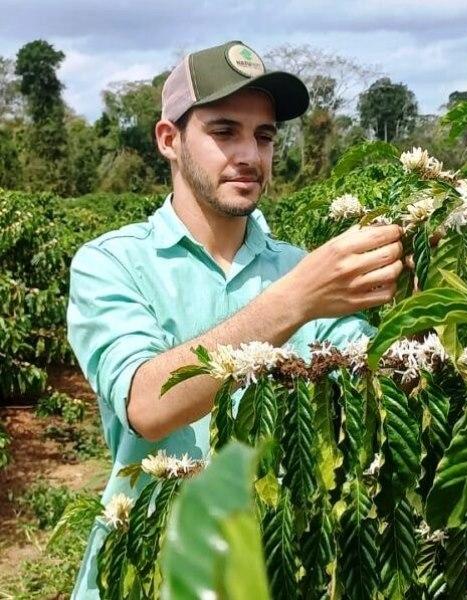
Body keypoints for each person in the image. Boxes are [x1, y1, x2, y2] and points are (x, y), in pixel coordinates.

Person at [66, 40, 404, 598]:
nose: (249, 153)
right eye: (224, 132)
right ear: (169, 140)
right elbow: (148, 405)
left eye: (264, 136)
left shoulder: (303, 269)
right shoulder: (112, 263)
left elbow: (372, 386)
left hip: (275, 568)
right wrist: (293, 302)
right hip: (148, 567)